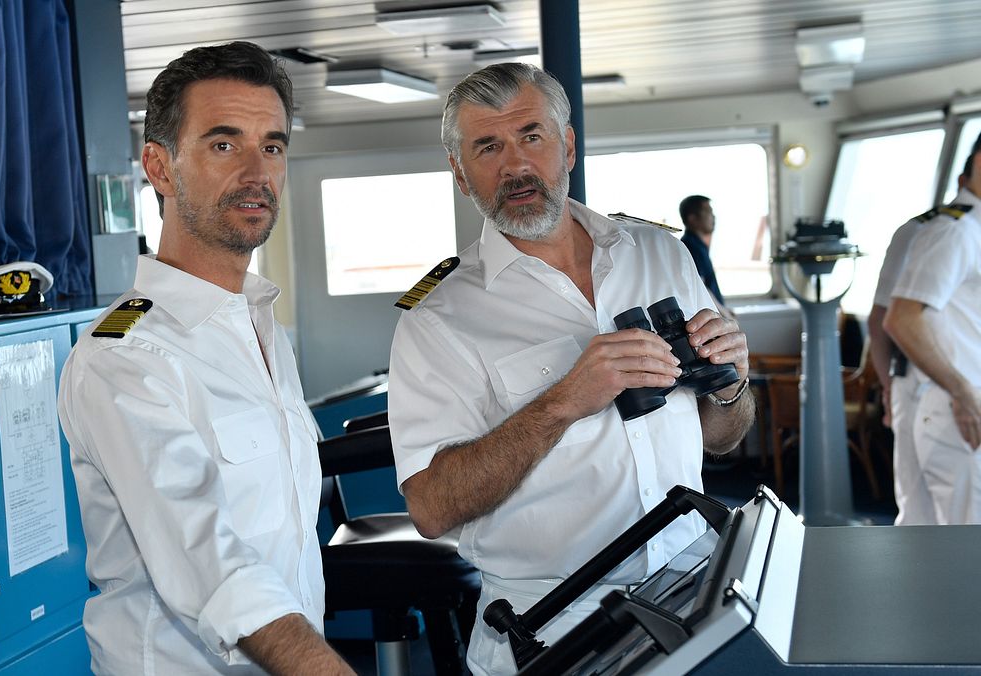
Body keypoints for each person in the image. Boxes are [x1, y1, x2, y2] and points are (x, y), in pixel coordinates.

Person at [387, 63, 755, 675]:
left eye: (532, 135)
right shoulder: (436, 318)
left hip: (698, 594)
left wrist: (732, 383)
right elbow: (431, 507)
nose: (515, 165)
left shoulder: (661, 252)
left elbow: (724, 435)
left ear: (569, 145)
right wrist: (562, 402)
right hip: (555, 628)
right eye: (487, 146)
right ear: (460, 173)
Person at [57, 42, 352, 675]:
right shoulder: (125, 357)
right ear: (159, 169)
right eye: (224, 145)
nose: (257, 171)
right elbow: (209, 560)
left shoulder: (260, 326)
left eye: (272, 146)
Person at [884, 133, 981, 525]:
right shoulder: (953, 231)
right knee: (966, 551)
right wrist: (962, 391)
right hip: (957, 408)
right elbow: (900, 319)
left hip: (963, 401)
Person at [866, 208, 941, 526]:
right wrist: (890, 388)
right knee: (921, 510)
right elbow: (882, 320)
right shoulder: (921, 231)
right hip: (921, 387)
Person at [678, 194, 729, 311]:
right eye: (708, 212)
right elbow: (701, 286)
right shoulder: (690, 246)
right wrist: (724, 312)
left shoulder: (699, 245)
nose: (713, 217)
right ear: (692, 219)